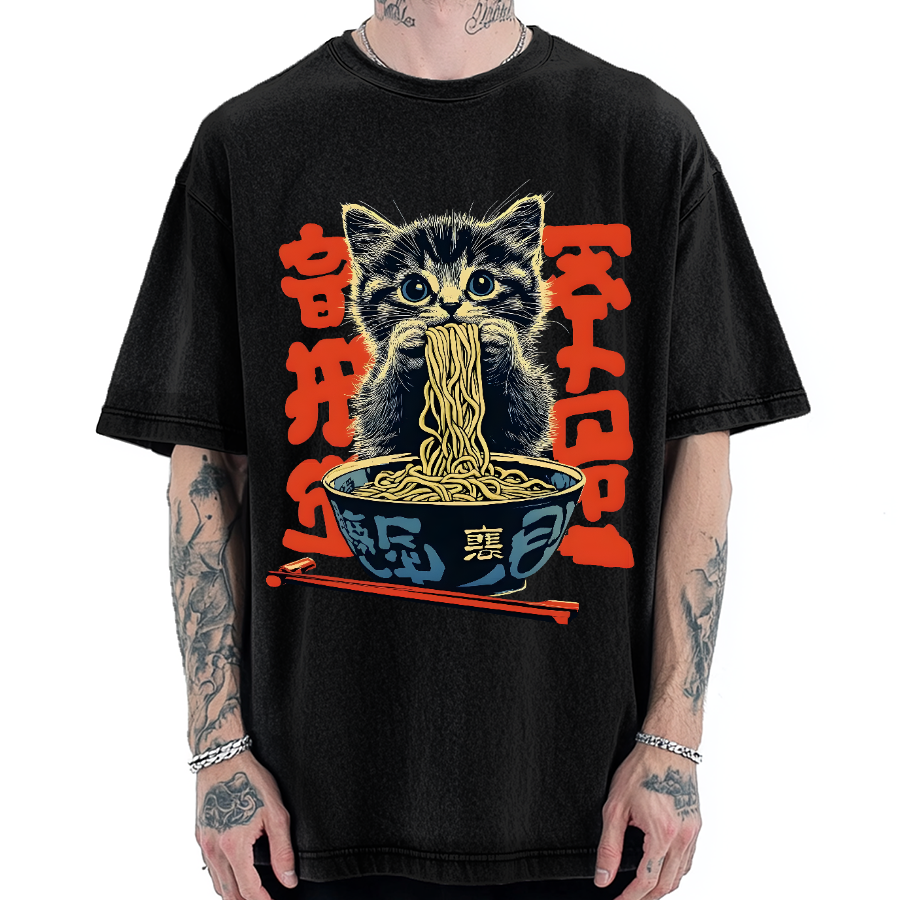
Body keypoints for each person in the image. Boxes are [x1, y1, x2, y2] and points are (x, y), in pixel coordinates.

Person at [96, 2, 811, 899]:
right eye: (415, 291)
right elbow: (205, 477)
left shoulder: (643, 137)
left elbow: (698, 458)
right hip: (309, 813)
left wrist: (674, 743)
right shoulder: (249, 143)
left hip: (588, 806)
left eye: (474, 285)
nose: (446, 306)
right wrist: (218, 753)